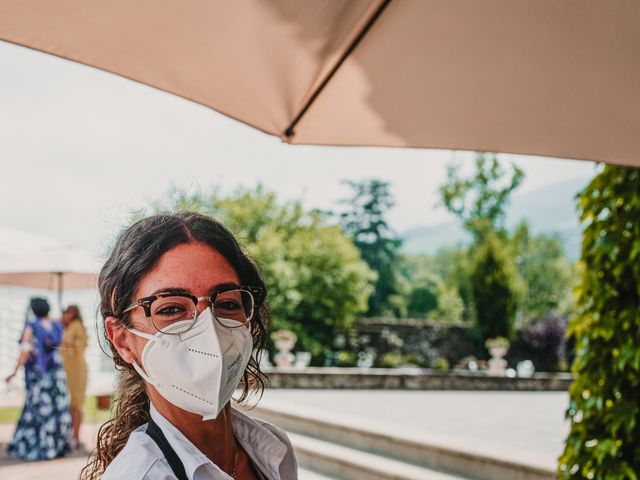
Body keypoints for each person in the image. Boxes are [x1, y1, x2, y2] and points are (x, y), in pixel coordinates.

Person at [81, 212, 297, 480]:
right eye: (171, 309)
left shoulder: (272, 451)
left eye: (228, 304)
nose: (209, 330)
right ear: (122, 339)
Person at [5, 297, 73, 460]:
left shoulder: (32, 326)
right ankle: (56, 446)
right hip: (57, 374)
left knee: (38, 410)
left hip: (40, 375)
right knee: (57, 409)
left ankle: (41, 446)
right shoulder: (57, 325)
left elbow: (26, 351)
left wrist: (14, 372)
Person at [61, 304, 89, 449]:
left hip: (76, 371)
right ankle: (68, 436)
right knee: (66, 405)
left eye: (69, 313)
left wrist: (69, 342)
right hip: (65, 370)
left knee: (75, 404)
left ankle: (76, 437)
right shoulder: (64, 326)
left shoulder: (77, 325)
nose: (66, 315)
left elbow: (82, 344)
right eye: (65, 312)